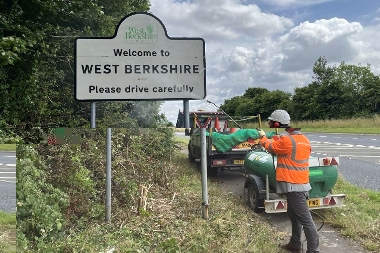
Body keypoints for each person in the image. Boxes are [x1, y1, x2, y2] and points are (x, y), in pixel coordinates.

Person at [257, 109, 319, 253]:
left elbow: (270, 147)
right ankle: (295, 244)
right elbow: (287, 148)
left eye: (271, 121)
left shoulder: (287, 140)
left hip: (294, 186)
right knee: (294, 215)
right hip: (301, 183)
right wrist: (277, 139)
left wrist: (263, 137)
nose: (269, 123)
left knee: (306, 220)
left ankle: (313, 250)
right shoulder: (303, 139)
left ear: (277, 123)